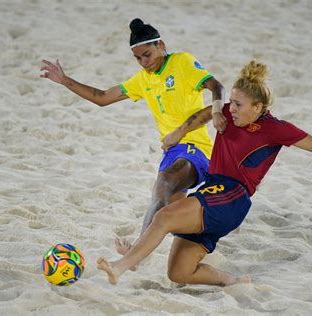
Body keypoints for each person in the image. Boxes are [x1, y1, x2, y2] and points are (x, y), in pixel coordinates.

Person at [96, 60, 312, 286]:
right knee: (178, 273)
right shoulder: (225, 113)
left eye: (238, 104)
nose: (231, 109)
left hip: (231, 196)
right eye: (231, 102)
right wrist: (179, 132)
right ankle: (232, 282)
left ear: (258, 108)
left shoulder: (276, 129)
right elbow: (203, 115)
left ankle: (122, 265)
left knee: (165, 216)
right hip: (212, 193)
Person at [40, 18, 227, 256]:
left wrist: (216, 111)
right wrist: (64, 80)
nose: (143, 63)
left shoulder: (182, 62)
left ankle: (133, 256)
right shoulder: (143, 79)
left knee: (162, 187)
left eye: (147, 55)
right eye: (138, 58)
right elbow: (103, 97)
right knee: (177, 220)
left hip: (195, 149)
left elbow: (217, 87)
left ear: (161, 45)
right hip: (171, 152)